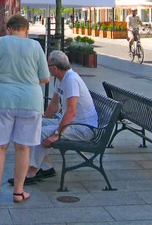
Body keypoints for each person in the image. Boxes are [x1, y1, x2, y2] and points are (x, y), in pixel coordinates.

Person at [0, 14, 50, 204]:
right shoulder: (36, 46)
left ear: (9, 29)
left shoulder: (0, 42)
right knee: (23, 147)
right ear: (26, 30)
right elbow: (45, 78)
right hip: (31, 101)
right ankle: (19, 192)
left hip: (3, 98)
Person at [8, 50, 97, 186]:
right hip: (73, 123)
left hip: (83, 128)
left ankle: (31, 173)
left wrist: (56, 134)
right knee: (35, 125)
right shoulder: (61, 79)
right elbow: (54, 104)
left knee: (41, 132)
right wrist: (41, 120)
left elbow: (71, 112)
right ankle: (46, 167)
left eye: (47, 65)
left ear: (54, 68)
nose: (46, 68)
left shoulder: (71, 80)